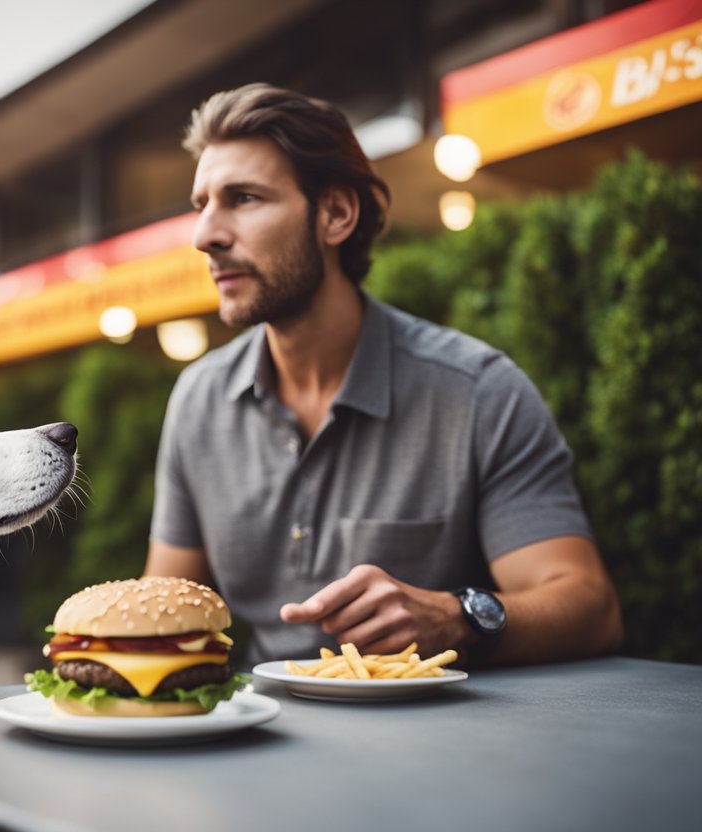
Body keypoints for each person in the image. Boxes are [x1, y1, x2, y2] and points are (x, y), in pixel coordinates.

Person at [143, 83, 623, 666]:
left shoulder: (477, 391)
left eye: (242, 198)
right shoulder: (199, 400)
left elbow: (589, 609)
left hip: (439, 739)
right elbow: (162, 617)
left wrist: (457, 616)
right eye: (202, 205)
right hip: (263, 731)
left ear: (337, 214)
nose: (206, 236)